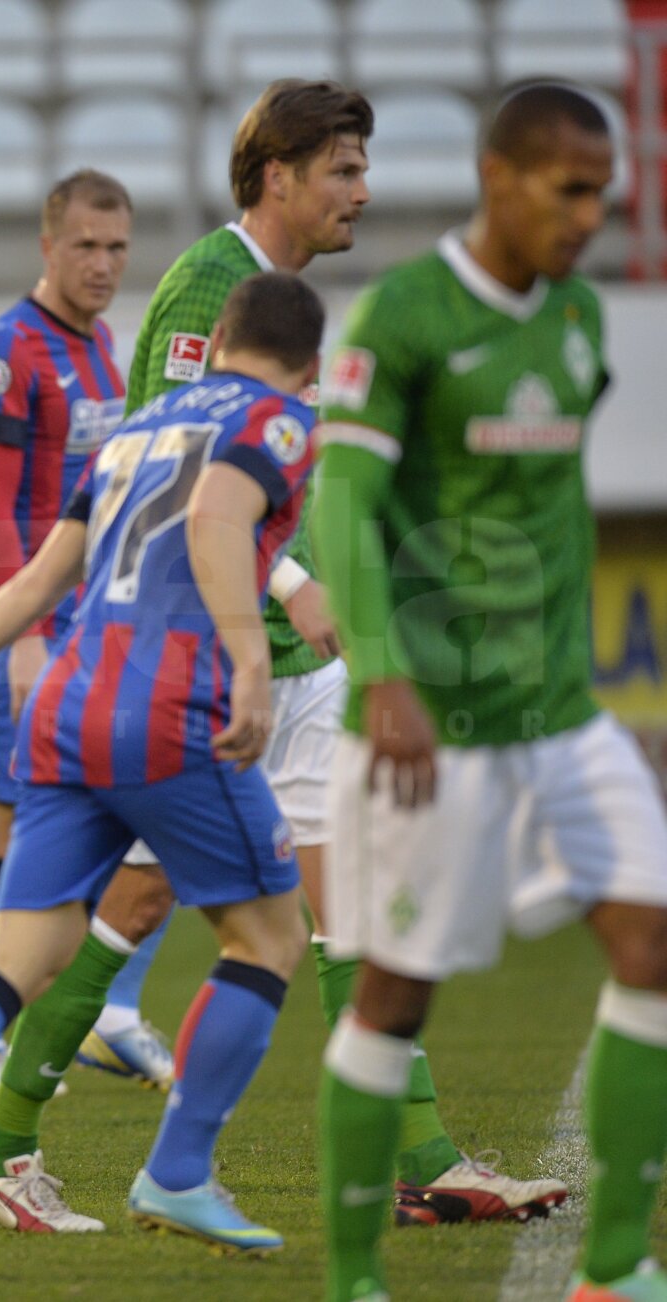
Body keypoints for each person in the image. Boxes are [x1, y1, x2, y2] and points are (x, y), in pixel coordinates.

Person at [0, 77, 563, 1235]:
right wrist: (290, 586)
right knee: (142, 911)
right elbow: (182, 484)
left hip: (280, 671)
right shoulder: (209, 285)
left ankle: (421, 1156)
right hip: (219, 672)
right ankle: (4, 1144)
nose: (362, 190)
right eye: (343, 169)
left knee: (337, 910)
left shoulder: (270, 295)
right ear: (278, 174)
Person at [0, 271, 324, 1272]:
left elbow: (41, 577)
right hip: (165, 708)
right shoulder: (279, 419)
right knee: (269, 934)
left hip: (62, 703)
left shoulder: (141, 428)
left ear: (217, 337)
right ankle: (179, 1171)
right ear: (309, 364)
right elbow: (221, 522)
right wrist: (249, 666)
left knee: (16, 957)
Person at [313, 83, 667, 1302]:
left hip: (561, 715)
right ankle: (354, 1278)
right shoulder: (404, 315)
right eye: (569, 191)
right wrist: (385, 669)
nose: (590, 218)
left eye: (602, 195)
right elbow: (342, 503)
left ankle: (615, 1269)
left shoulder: (575, 318)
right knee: (394, 997)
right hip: (434, 724)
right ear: (498, 176)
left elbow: (552, 501)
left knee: (652, 936)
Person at [0, 171, 172, 1096]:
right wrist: (27, 634)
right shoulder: (8, 350)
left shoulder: (107, 345)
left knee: (130, 808)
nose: (103, 264)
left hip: (96, 624)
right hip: (20, 623)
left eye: (117, 248)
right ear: (49, 247)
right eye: (86, 245)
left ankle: (106, 1012)